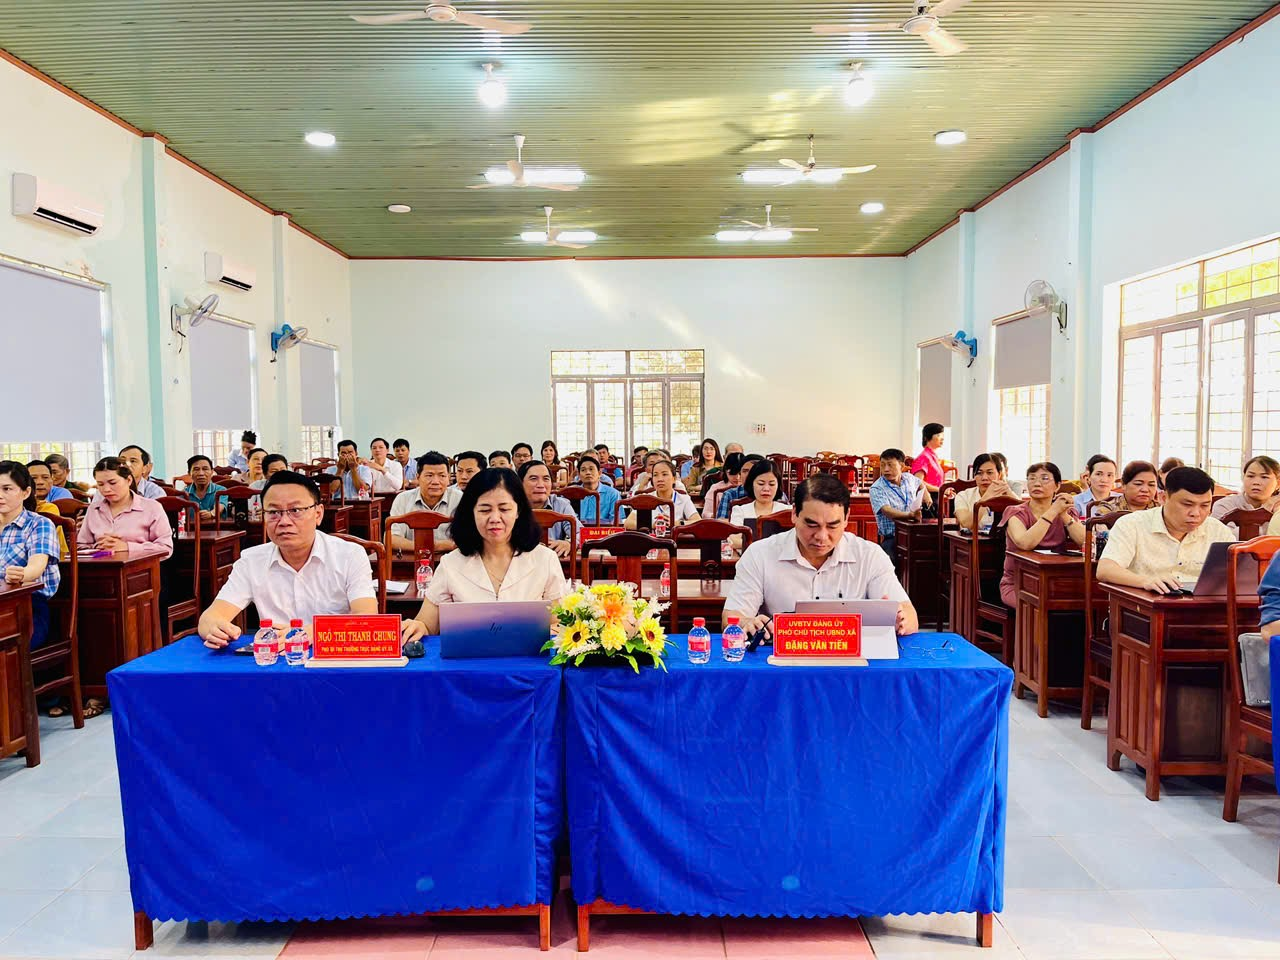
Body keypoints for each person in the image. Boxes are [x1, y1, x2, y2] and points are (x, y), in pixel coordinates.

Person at [198, 472, 381, 649]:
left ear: (318, 514)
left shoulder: (350, 555)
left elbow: (366, 617)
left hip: (332, 656)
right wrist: (214, 629)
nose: (284, 521)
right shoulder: (251, 561)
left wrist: (315, 632)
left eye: (295, 510)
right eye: (273, 512)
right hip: (276, 660)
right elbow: (210, 617)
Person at [723, 474, 917, 639]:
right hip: (781, 662)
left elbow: (909, 616)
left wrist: (901, 621)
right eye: (812, 524)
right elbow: (732, 616)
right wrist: (746, 622)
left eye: (833, 526)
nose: (822, 537)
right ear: (794, 514)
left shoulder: (870, 555)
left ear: (846, 518)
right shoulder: (760, 554)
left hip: (851, 663)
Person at [400, 468, 569, 640]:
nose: (495, 518)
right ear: (471, 513)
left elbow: (560, 623)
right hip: (467, 657)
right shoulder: (451, 563)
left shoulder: (545, 559)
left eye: (504, 509)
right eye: (485, 510)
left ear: (518, 511)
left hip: (529, 656)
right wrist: (417, 626)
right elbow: (427, 624)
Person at [1097, 466, 1235, 594]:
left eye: (1204, 506)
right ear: (1163, 498)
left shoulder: (1218, 531)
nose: (1196, 513)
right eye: (1187, 504)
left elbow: (1238, 574)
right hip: (1144, 606)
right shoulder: (1132, 524)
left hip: (1203, 607)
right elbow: (1105, 569)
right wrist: (1145, 581)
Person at [999, 462, 1085, 607]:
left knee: (1083, 602)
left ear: (1057, 486)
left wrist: (1063, 514)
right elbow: (1025, 543)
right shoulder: (1015, 512)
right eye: (1032, 478)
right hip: (1019, 583)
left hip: (1056, 582)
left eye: (1044, 478)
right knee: (1037, 607)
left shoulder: (1065, 512)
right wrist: (1053, 510)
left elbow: (1084, 541)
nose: (1037, 483)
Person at [0, 461, 61, 652]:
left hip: (27, 607)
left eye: (7, 489)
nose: (0, 495)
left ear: (26, 493)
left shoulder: (39, 524)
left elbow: (36, 568)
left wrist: (21, 575)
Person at [78, 457, 173, 559]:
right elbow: (81, 546)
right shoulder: (94, 509)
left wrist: (127, 547)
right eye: (100, 484)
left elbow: (166, 548)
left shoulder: (151, 507)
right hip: (101, 566)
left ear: (128, 480)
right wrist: (99, 546)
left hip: (141, 567)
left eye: (113, 483)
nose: (106, 489)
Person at [388, 451, 461, 553]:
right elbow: (391, 539)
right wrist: (429, 547)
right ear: (418, 477)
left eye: (442, 476)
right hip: (412, 558)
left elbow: (468, 539)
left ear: (448, 478)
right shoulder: (403, 499)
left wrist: (430, 546)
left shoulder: (460, 499)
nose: (435, 482)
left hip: (451, 559)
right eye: (429, 475)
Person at [868, 448, 930, 559]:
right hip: (893, 537)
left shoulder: (908, 478)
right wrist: (909, 515)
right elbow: (887, 510)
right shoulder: (877, 488)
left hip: (914, 532)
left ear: (901, 466)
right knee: (888, 561)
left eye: (890, 465)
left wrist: (926, 494)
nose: (886, 469)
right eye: (883, 465)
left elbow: (920, 483)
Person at [520, 460, 579, 558]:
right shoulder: (511, 507)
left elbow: (580, 533)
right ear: (520, 483)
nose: (541, 485)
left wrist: (570, 543)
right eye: (533, 479)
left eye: (546, 479)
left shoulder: (561, 505)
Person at [1211, 456, 1280, 535]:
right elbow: (1221, 536)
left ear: (1278, 483)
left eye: (1264, 477)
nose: (1256, 482)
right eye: (1250, 476)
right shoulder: (1224, 505)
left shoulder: (1277, 508)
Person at [625, 458, 698, 530]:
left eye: (664, 474)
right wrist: (653, 525)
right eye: (655, 475)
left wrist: (677, 523)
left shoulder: (683, 499)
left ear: (674, 478)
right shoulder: (646, 498)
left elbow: (697, 521)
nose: (660, 479)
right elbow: (628, 523)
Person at [953, 453, 1016, 529]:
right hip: (973, 536)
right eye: (979, 473)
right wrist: (987, 497)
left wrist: (1010, 495)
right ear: (974, 476)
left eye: (990, 473)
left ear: (999, 475)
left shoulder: (1006, 494)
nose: (984, 478)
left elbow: (1026, 519)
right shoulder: (963, 496)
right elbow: (967, 524)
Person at [729, 460, 786, 539]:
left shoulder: (787, 511)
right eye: (761, 484)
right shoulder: (740, 511)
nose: (766, 489)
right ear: (752, 484)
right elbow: (734, 540)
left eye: (771, 484)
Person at [1095, 461, 1159, 515]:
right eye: (1138, 484)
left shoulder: (1160, 510)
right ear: (1123, 484)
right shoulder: (1108, 509)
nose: (1145, 490)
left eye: (1151, 485)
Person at [574, 454, 623, 525]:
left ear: (599, 473)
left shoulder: (613, 494)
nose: (588, 473)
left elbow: (617, 521)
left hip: (605, 531)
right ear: (579, 475)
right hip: (578, 530)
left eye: (591, 469)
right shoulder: (573, 494)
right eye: (583, 470)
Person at [702, 452, 748, 519]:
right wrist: (719, 514)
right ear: (725, 471)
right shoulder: (716, 488)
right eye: (732, 473)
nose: (737, 477)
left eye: (740, 473)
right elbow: (705, 514)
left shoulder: (752, 488)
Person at [184, 455, 226, 522]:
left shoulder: (221, 490)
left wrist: (211, 513)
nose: (201, 473)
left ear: (212, 472)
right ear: (189, 473)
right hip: (191, 528)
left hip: (215, 528)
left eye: (205, 469)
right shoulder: (184, 494)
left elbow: (221, 505)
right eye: (196, 469)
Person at [912, 423, 946, 495]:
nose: (942, 438)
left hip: (937, 495)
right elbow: (918, 482)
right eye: (938, 435)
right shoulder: (923, 457)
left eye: (942, 435)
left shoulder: (933, 457)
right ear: (927, 438)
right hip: (928, 497)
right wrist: (941, 490)